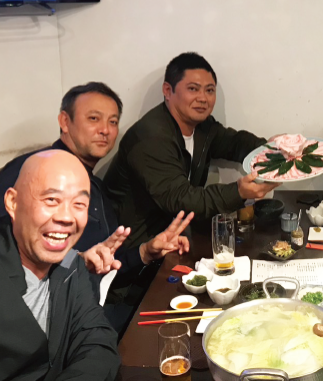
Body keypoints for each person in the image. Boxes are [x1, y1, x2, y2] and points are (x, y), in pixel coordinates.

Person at [0, 82, 194, 332]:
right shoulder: (29, 171)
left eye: (113, 122)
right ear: (65, 121)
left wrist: (146, 251)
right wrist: (76, 261)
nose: (105, 130)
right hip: (44, 327)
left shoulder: (96, 187)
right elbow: (10, 252)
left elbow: (104, 265)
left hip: (94, 311)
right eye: (94, 118)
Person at [104, 52, 279, 252]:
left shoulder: (202, 126)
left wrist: (273, 150)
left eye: (209, 90)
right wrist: (238, 192)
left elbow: (234, 143)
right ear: (167, 90)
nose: (203, 98)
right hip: (133, 252)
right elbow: (181, 200)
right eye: (193, 89)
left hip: (174, 239)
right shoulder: (150, 138)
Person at [0, 150, 119, 380]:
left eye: (79, 204)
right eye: (51, 200)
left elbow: (98, 342)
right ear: (13, 202)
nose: (66, 217)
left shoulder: (70, 263)